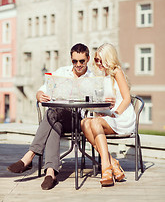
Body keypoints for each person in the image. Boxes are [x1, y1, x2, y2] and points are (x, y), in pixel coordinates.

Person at [7, 43, 95, 190]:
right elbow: (42, 90)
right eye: (74, 61)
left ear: (88, 59)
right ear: (71, 59)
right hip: (59, 118)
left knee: (52, 113)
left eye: (82, 61)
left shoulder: (93, 78)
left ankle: (29, 156)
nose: (78, 65)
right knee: (54, 122)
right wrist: (39, 95)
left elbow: (98, 103)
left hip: (79, 120)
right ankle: (50, 173)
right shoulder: (62, 72)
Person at [81, 43, 136, 187]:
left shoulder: (116, 71)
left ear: (108, 59)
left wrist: (115, 113)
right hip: (109, 115)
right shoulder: (103, 75)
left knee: (95, 122)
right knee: (84, 123)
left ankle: (105, 167)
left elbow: (126, 99)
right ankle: (113, 162)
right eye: (96, 60)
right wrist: (102, 107)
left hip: (122, 116)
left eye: (100, 60)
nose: (98, 63)